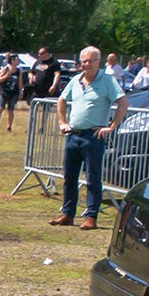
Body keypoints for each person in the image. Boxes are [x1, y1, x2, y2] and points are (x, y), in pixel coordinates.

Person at [50, 46, 128, 230]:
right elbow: (61, 99)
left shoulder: (107, 81)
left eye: (91, 60)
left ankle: (91, 216)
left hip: (93, 136)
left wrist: (111, 127)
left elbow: (123, 102)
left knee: (93, 178)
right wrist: (63, 122)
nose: (87, 64)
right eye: (84, 61)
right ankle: (68, 214)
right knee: (69, 176)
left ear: (98, 62)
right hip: (73, 135)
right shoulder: (76, 80)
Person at [0, 53, 21, 133]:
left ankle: (9, 127)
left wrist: (20, 92)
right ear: (12, 61)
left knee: (10, 110)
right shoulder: (6, 69)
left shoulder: (18, 71)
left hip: (14, 93)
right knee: (0, 108)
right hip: (3, 92)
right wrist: (7, 76)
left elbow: (20, 82)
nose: (18, 61)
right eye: (17, 59)